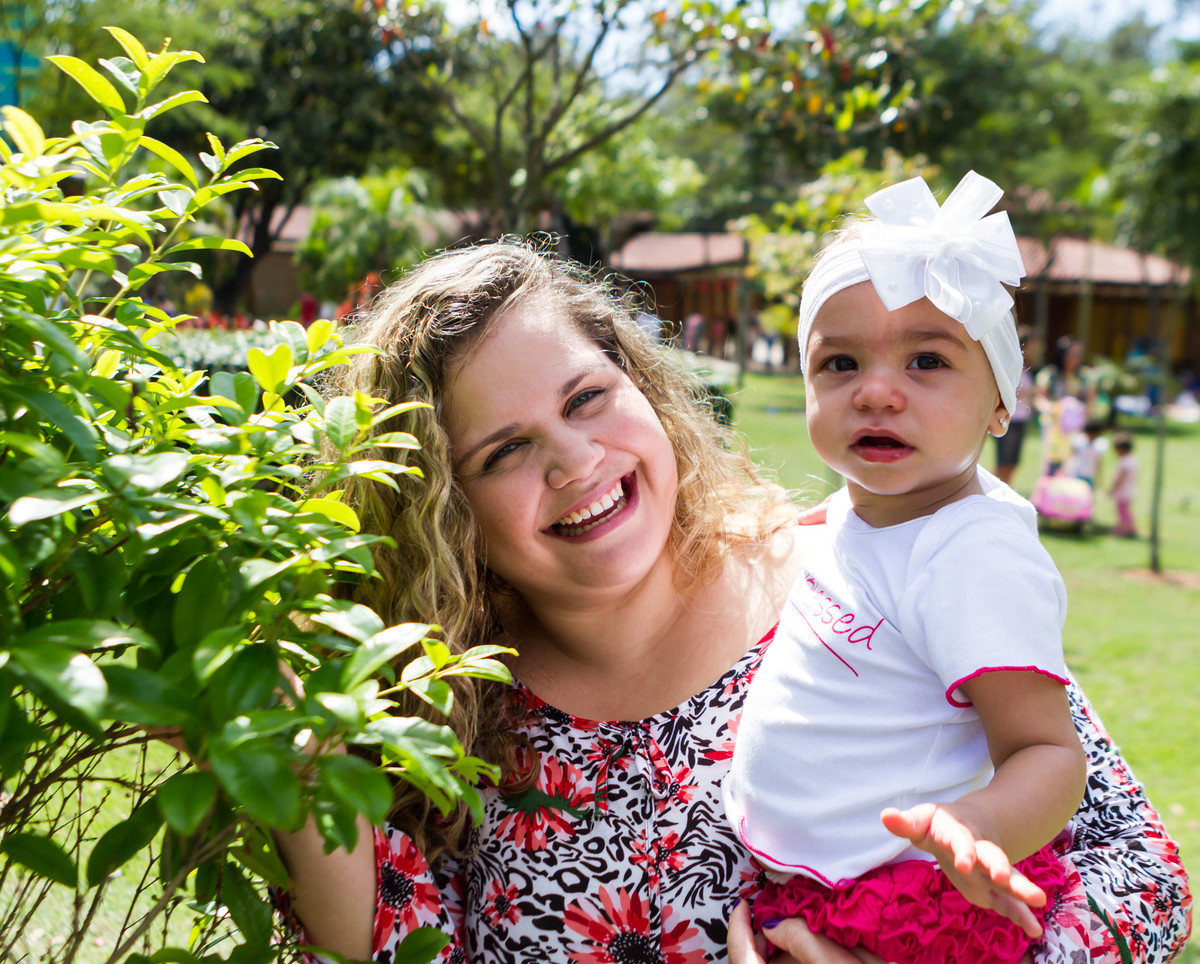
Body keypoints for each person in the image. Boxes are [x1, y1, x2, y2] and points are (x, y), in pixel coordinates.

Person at [274, 239, 1191, 964]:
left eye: (588, 397)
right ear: (445, 506)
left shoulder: (863, 567)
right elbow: (398, 944)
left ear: (644, 386)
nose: (574, 460)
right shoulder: (448, 710)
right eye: (503, 451)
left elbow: (1144, 880)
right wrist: (277, 736)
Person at [724, 172, 1087, 964]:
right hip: (823, 875)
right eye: (840, 363)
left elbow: (1050, 752)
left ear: (1001, 404)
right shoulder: (865, 510)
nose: (876, 392)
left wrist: (979, 824)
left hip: (907, 893)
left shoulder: (973, 554)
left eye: (927, 360)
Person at [994, 326, 1039, 485]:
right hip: (1009, 420)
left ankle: (1005, 492)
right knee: (1004, 461)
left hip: (1021, 419)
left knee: (1013, 462)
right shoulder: (1011, 366)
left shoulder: (1026, 368)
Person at [1108, 433, 1139, 538]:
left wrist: (1112, 489)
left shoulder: (1123, 462)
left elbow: (1119, 478)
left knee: (1122, 512)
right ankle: (1131, 528)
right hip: (1130, 490)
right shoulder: (1133, 460)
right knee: (1127, 511)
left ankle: (1123, 529)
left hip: (1122, 492)